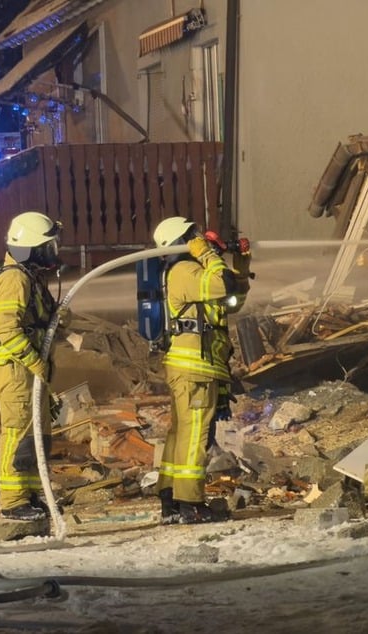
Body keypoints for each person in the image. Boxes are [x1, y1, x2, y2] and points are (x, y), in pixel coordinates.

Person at [152, 216, 251, 524]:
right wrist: (208, 254)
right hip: (193, 368)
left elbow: (231, 299)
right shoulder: (184, 271)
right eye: (192, 236)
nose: (199, 238)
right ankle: (190, 503)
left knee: (182, 434)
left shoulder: (195, 271)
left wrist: (240, 262)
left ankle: (171, 498)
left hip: (198, 366)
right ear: (181, 241)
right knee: (195, 435)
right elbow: (219, 282)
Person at [0, 211, 62, 521]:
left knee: (35, 435)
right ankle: (13, 500)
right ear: (30, 248)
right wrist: (35, 363)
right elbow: (6, 328)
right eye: (46, 246)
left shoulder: (30, 278)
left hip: (28, 370)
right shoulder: (14, 279)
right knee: (17, 433)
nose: (52, 252)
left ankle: (29, 494)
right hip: (15, 368)